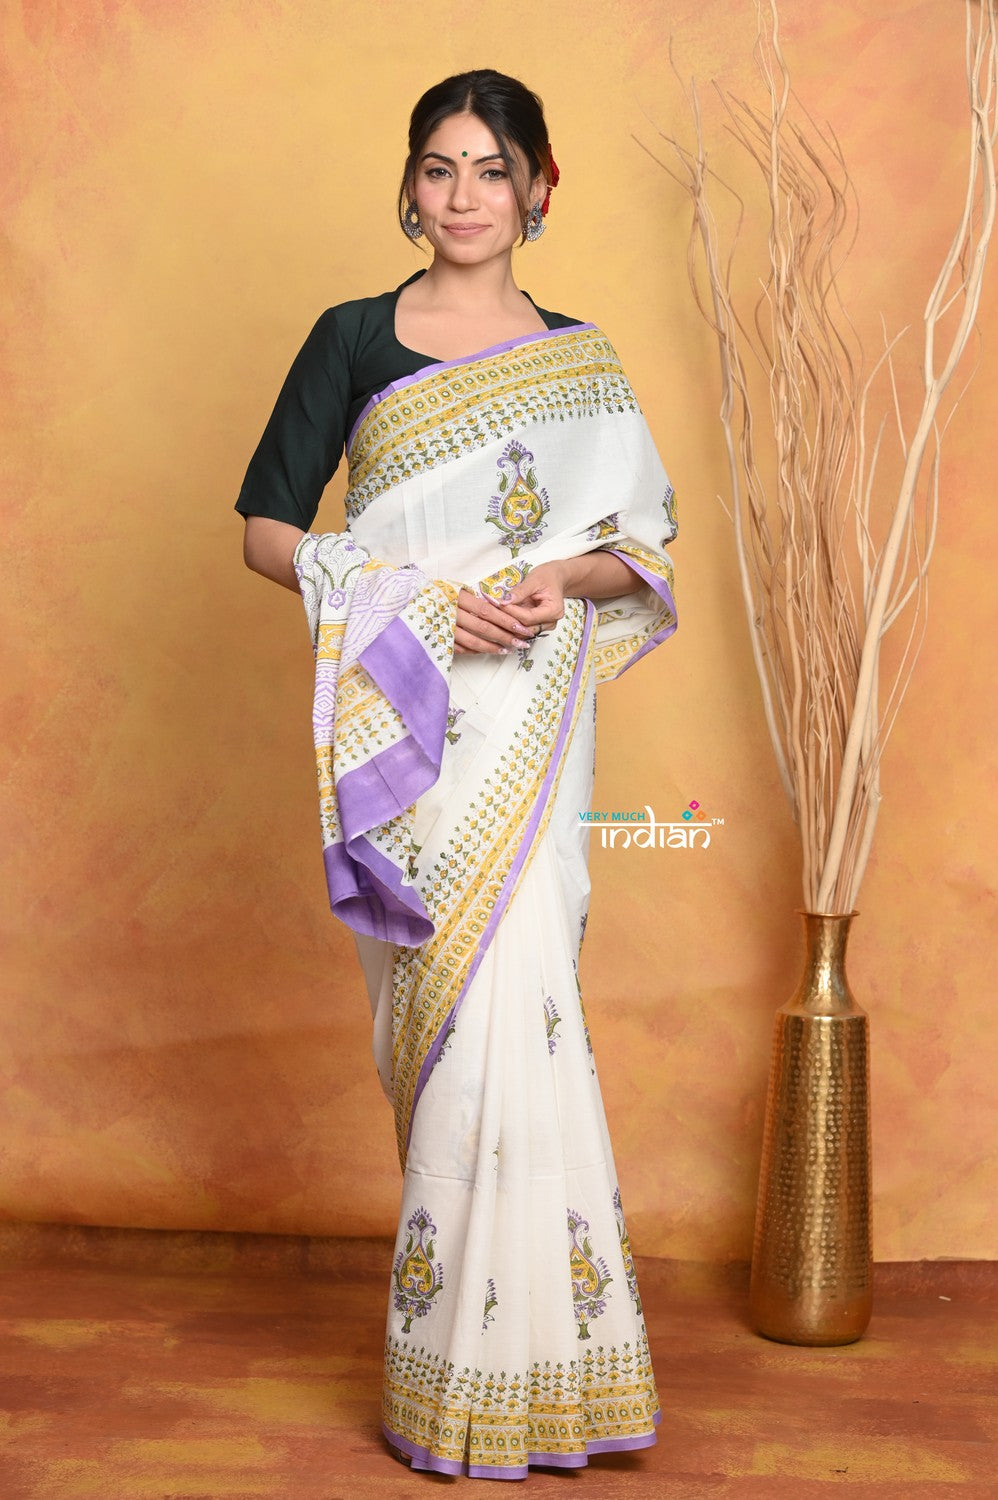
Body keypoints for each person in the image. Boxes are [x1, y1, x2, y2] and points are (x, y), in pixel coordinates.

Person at [235, 69, 678, 1481]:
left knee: (527, 1009)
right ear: (410, 185)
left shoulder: (582, 359)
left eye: (492, 170)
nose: (464, 195)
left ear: (540, 188)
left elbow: (640, 547)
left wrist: (559, 583)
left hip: (533, 726)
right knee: (452, 1017)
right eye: (440, 168)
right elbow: (265, 531)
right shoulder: (354, 338)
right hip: (412, 730)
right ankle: (454, 1376)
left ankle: (550, 1371)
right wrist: (414, 600)